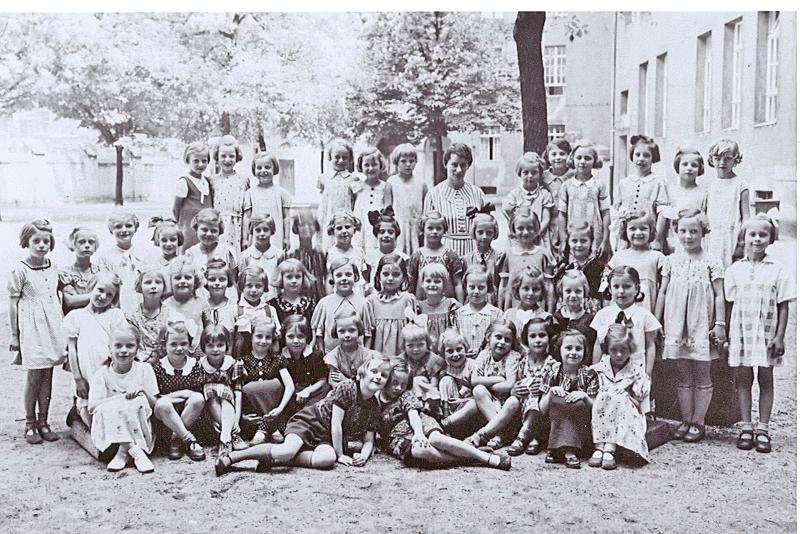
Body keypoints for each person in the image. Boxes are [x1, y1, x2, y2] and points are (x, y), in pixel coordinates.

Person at [215, 357, 392, 475]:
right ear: (362, 373)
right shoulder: (348, 388)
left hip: (327, 437)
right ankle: (232, 458)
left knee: (326, 459)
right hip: (311, 421)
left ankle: (275, 461)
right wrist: (340, 455)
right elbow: (336, 424)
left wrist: (364, 455)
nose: (378, 377)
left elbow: (369, 439)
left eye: (384, 375)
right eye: (374, 371)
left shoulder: (374, 406)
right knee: (287, 450)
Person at [725, 215, 794, 453]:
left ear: (771, 239)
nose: (757, 239)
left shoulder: (778, 270)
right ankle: (746, 427)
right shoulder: (735, 270)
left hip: (767, 335)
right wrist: (728, 336)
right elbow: (730, 305)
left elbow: (783, 305)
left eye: (763, 235)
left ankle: (763, 428)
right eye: (752, 234)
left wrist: (779, 336)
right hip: (742, 333)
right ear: (743, 238)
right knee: (744, 379)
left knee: (766, 378)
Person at [656, 209, 726, 442]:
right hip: (677, 324)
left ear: (703, 232)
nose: (688, 236)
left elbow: (719, 295)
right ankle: (686, 419)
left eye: (694, 231)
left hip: (701, 325)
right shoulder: (670, 261)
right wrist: (657, 322)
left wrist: (719, 324)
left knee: (703, 373)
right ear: (676, 231)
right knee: (683, 373)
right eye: (683, 231)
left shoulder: (711, 261)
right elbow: (663, 292)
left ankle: (699, 421)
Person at [377, 360, 511, 470]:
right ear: (386, 379)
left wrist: (419, 433)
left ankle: (487, 458)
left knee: (436, 439)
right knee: (420, 451)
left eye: (403, 384)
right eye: (395, 382)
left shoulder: (404, 395)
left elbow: (413, 414)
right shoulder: (375, 401)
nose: (399, 388)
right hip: (397, 438)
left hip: (420, 423)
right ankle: (473, 456)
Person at [8, 219, 66, 443]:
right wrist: (15, 335)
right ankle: (30, 423)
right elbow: (13, 304)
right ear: (27, 242)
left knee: (48, 375)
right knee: (34, 376)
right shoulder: (20, 270)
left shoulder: (53, 266)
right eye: (36, 241)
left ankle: (44, 421)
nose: (42, 245)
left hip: (52, 324)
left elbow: (61, 291)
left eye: (46, 241)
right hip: (32, 327)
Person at [591, 266, 661, 416]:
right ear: (610, 289)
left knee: (632, 407)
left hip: (635, 367)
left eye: (627, 286)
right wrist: (594, 368)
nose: (621, 291)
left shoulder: (644, 315)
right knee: (608, 406)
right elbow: (598, 343)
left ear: (637, 289)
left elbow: (650, 345)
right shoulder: (603, 314)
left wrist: (647, 373)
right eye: (616, 286)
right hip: (609, 368)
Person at [88, 326, 159, 473]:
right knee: (111, 407)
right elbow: (92, 406)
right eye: (118, 346)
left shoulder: (145, 369)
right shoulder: (102, 374)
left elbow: (154, 404)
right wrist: (121, 400)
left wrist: (141, 390)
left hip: (139, 425)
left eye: (130, 346)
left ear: (137, 349)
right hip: (110, 427)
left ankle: (122, 452)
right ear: (109, 348)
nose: (124, 350)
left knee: (138, 401)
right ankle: (135, 452)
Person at [64, 272, 128, 427]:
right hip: (86, 374)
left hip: (109, 374)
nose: (103, 296)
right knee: (95, 423)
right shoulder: (76, 316)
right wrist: (78, 379)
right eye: (100, 290)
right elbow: (72, 349)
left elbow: (121, 344)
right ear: (91, 287)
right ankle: (78, 414)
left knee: (113, 421)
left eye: (109, 295)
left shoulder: (116, 315)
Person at [589, 323, 650, 470]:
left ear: (630, 348)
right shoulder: (600, 369)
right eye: (613, 350)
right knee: (604, 396)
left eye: (623, 350)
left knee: (618, 398)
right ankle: (599, 447)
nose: (619, 355)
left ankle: (609, 448)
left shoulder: (636, 371)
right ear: (606, 349)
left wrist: (625, 395)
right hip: (601, 411)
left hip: (627, 412)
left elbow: (639, 401)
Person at [539, 329, 598, 469]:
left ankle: (560, 450)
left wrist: (585, 397)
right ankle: (568, 452)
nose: (573, 352)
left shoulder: (590, 374)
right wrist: (551, 393)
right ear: (559, 350)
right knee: (557, 399)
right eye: (568, 348)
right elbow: (541, 409)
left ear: (584, 351)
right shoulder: (552, 371)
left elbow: (596, 409)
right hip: (553, 426)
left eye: (578, 349)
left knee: (578, 403)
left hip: (581, 429)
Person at [463, 319, 523, 451]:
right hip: (489, 403)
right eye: (498, 337)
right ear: (488, 337)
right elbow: (474, 381)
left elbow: (509, 385)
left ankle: (493, 434)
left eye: (507, 340)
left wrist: (487, 383)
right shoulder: (484, 355)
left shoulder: (512, 357)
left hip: (507, 404)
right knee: (478, 390)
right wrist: (498, 378)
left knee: (513, 402)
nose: (502, 342)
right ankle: (501, 433)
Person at [151, 319, 206, 461]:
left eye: (183, 343)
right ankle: (189, 440)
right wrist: (185, 393)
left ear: (189, 344)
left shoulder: (195, 365)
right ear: (164, 345)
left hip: (190, 418)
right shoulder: (158, 368)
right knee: (163, 404)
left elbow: (197, 395)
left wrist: (171, 396)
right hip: (166, 420)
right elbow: (157, 399)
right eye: (173, 344)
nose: (179, 348)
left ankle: (176, 439)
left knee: (198, 398)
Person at [423, 143, 487, 256]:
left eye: (463, 165)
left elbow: (486, 228)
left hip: (473, 254)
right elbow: (427, 233)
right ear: (446, 164)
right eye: (454, 164)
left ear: (468, 166)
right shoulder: (433, 195)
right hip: (443, 254)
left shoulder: (477, 193)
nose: (459, 170)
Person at [241, 315, 295, 446]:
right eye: (259, 336)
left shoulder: (277, 359)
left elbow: (290, 386)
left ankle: (264, 430)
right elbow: (236, 391)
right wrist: (242, 416)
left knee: (275, 384)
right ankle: (270, 429)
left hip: (277, 413)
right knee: (249, 388)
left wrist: (280, 409)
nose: (263, 341)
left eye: (268, 337)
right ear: (251, 336)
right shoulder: (243, 361)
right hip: (254, 417)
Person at [507, 317, 557, 456]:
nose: (538, 340)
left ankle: (523, 436)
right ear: (526, 339)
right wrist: (514, 390)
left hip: (542, 411)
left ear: (549, 338)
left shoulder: (553, 364)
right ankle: (533, 437)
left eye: (542, 335)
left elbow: (555, 389)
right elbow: (516, 384)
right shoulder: (522, 363)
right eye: (533, 336)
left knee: (537, 397)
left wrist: (544, 387)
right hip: (522, 411)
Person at [198, 324, 247, 456]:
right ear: (203, 347)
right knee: (210, 389)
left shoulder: (233, 364)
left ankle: (225, 438)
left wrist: (236, 420)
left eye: (220, 345)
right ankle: (232, 436)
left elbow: (237, 393)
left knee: (224, 391)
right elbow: (201, 395)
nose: (215, 350)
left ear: (227, 345)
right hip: (210, 408)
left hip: (229, 405)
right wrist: (212, 419)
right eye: (210, 346)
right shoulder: (200, 365)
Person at [557, 140, 611, 259]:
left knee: (594, 266)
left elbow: (606, 214)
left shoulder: (599, 185)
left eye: (587, 158)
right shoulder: (566, 186)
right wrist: (563, 240)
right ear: (573, 159)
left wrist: (605, 240)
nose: (582, 161)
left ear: (594, 160)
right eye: (579, 158)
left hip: (595, 237)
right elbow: (562, 215)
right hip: (574, 237)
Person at [613, 135, 667, 250]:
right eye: (637, 155)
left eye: (646, 155)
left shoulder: (658, 182)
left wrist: (657, 239)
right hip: (628, 237)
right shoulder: (624, 183)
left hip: (649, 237)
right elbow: (618, 214)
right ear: (632, 156)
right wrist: (622, 239)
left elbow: (662, 213)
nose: (641, 159)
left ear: (653, 158)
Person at [496, 207, 556, 312]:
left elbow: (548, 286)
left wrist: (550, 312)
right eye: (520, 228)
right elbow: (504, 285)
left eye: (530, 228)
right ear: (513, 229)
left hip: (537, 310)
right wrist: (501, 310)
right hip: (513, 308)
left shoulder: (543, 254)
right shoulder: (508, 254)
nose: (525, 232)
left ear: (536, 228)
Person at [606, 212, 666, 314]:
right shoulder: (618, 256)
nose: (638, 233)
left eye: (643, 228)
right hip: (620, 311)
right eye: (632, 229)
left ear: (651, 231)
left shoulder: (657, 257)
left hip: (646, 310)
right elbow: (607, 288)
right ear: (625, 231)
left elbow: (663, 291)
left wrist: (656, 317)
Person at [311, 257, 373, 354]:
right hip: (331, 356)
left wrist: (366, 355)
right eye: (339, 275)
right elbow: (319, 334)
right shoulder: (324, 303)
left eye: (348, 274)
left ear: (355, 276)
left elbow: (368, 333)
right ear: (332, 278)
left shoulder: (363, 303)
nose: (344, 278)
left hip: (357, 356)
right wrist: (323, 356)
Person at [705, 139, 749, 268]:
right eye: (717, 158)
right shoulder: (709, 185)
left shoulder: (740, 185)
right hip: (712, 237)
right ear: (711, 160)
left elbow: (746, 217)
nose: (722, 163)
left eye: (727, 159)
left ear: (735, 160)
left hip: (732, 237)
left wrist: (741, 243)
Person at [95, 210, 146, 315]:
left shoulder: (143, 254)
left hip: (141, 303)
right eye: (118, 227)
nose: (124, 230)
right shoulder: (105, 257)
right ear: (111, 230)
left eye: (128, 226)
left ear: (135, 228)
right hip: (117, 305)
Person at [502, 152, 555, 253]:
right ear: (520, 173)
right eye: (525, 173)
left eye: (534, 172)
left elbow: (546, 219)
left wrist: (535, 234)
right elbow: (510, 218)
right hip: (519, 238)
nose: (530, 176)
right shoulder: (514, 195)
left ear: (540, 174)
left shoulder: (544, 194)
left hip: (538, 237)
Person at [407, 210, 465, 303]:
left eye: (438, 228)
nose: (434, 231)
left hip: (446, 305)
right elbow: (411, 284)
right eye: (430, 228)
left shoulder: (451, 255)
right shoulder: (417, 255)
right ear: (422, 230)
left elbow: (457, 283)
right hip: (422, 305)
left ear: (444, 230)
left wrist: (460, 305)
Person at [365, 254, 417, 357]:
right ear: (378, 276)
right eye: (385, 274)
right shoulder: (371, 301)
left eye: (396, 274)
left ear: (403, 277)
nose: (390, 278)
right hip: (377, 357)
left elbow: (414, 332)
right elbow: (367, 334)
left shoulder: (408, 299)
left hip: (401, 357)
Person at [184, 208, 239, 303]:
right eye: (204, 230)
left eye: (213, 231)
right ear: (196, 229)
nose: (209, 234)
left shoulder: (227, 251)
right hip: (199, 301)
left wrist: (234, 301)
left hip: (224, 301)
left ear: (220, 231)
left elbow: (234, 280)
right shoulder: (191, 253)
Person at [660, 148, 708, 254]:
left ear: (700, 169)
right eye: (685, 164)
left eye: (694, 165)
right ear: (678, 166)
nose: (689, 168)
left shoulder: (703, 192)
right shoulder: (669, 190)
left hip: (694, 239)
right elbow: (663, 216)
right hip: (672, 239)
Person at [243, 151, 292, 252]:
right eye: (259, 168)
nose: (263, 170)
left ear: (274, 169)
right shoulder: (250, 193)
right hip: (257, 236)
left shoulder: (281, 193)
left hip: (276, 236)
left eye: (267, 167)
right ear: (254, 170)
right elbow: (247, 217)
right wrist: (245, 239)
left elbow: (286, 217)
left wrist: (286, 238)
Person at [384, 143, 427, 255]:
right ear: (396, 162)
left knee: (416, 254)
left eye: (411, 161)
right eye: (403, 161)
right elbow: (387, 209)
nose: (408, 164)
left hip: (416, 227)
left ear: (416, 161)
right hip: (398, 226)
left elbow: (426, 209)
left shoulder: (421, 183)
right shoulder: (391, 182)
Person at [210, 134, 249, 252]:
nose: (227, 160)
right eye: (223, 156)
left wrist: (245, 238)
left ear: (237, 157)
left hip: (237, 226)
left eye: (231, 156)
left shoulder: (243, 180)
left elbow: (247, 211)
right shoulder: (212, 180)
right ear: (217, 157)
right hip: (217, 226)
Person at [454, 265, 503, 358]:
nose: (476, 291)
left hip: (488, 362)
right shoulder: (458, 314)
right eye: (472, 287)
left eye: (481, 287)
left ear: (488, 288)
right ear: (465, 287)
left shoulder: (497, 314)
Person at [317, 138, 358, 248]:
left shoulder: (353, 179)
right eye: (337, 157)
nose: (341, 160)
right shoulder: (323, 178)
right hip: (327, 216)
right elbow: (323, 198)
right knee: (328, 244)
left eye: (345, 158)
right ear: (330, 157)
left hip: (345, 219)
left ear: (350, 159)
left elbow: (355, 201)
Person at [173, 141, 213, 252]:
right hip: (188, 231)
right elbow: (175, 208)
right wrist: (182, 225)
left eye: (204, 161)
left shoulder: (207, 181)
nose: (200, 164)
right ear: (188, 161)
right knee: (188, 256)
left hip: (206, 230)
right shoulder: (184, 182)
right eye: (196, 161)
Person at [163, 257, 208, 353]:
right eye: (177, 278)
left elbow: (210, 330)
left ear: (195, 280)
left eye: (187, 277)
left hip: (198, 354)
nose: (182, 281)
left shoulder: (202, 303)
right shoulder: (165, 305)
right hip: (174, 354)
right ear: (170, 281)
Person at [323, 313, 382, 387]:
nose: (347, 335)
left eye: (352, 330)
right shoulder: (334, 356)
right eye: (342, 331)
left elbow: (368, 382)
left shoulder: (368, 355)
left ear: (359, 331)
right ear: (336, 333)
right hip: (341, 392)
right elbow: (334, 383)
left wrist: (346, 380)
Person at [239, 213, 285, 301]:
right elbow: (242, 282)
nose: (262, 233)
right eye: (258, 230)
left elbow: (281, 281)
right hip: (251, 299)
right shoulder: (246, 255)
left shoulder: (279, 255)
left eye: (266, 230)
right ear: (252, 231)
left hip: (273, 299)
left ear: (272, 231)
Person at [126, 267, 168, 363]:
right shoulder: (132, 317)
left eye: (158, 282)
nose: (153, 286)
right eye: (148, 282)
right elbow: (131, 343)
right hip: (141, 364)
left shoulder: (171, 315)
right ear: (140, 286)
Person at [461, 209, 500, 306]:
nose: (484, 236)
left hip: (493, 304)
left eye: (489, 233)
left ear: (494, 234)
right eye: (480, 232)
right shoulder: (466, 259)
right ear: (474, 233)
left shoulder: (499, 258)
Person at [363, 206, 408, 292]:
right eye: (382, 232)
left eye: (390, 232)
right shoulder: (369, 258)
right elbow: (367, 279)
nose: (386, 235)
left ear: (396, 234)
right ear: (376, 234)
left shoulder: (403, 258)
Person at [352, 147, 387, 255]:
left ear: (380, 165)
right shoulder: (357, 186)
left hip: (378, 226)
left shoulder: (385, 187)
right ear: (360, 166)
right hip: (361, 226)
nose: (370, 168)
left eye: (374, 164)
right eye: (366, 165)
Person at [417, 263, 460, 349]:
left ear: (444, 284)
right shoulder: (418, 307)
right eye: (428, 281)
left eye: (437, 281)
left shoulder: (452, 305)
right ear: (422, 283)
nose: (432, 284)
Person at [288, 210, 327, 303]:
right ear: (296, 228)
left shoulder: (320, 256)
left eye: (310, 224)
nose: (306, 228)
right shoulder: (290, 256)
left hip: (318, 300)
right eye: (302, 225)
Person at [60, 226, 101, 315]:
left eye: (91, 242)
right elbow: (70, 301)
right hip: (75, 318)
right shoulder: (66, 273)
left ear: (95, 246)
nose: (87, 245)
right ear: (73, 245)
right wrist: (98, 295)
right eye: (81, 242)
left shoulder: (100, 271)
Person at [325, 211, 366, 296]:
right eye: (339, 228)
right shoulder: (331, 253)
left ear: (354, 228)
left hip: (357, 294)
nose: (344, 231)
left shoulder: (359, 252)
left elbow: (364, 277)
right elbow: (329, 280)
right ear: (333, 231)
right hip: (338, 295)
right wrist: (330, 299)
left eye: (347, 227)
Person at [502, 266, 552, 336]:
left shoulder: (545, 318)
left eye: (535, 289)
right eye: (526, 288)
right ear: (517, 289)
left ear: (542, 291)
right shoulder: (509, 314)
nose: (530, 293)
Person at [268, 258, 317, 326]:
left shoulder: (311, 304)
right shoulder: (272, 305)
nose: (294, 281)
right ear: (281, 278)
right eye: (289, 277)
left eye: (298, 277)